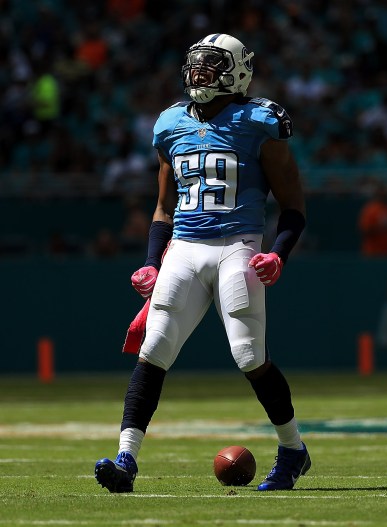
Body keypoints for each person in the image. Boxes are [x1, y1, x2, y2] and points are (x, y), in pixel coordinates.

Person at [94, 34, 310, 493]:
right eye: (195, 65)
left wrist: (278, 252)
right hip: (186, 247)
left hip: (240, 244)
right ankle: (126, 460)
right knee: (155, 350)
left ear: (237, 71)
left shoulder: (260, 120)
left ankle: (293, 450)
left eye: (211, 65)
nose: (199, 74)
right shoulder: (170, 123)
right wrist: (152, 260)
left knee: (248, 354)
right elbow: (163, 206)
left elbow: (292, 203)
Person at [358, 182, 387, 256]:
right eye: (382, 192)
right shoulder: (370, 209)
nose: (384, 194)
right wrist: (381, 228)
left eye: (385, 192)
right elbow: (365, 230)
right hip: (372, 252)